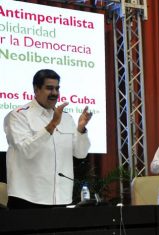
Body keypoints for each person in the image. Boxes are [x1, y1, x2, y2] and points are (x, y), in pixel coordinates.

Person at [4, 69, 93, 209]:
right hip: (27, 197)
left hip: (61, 197)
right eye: (49, 88)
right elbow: (26, 151)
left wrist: (81, 129)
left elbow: (80, 153)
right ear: (36, 89)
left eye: (57, 88)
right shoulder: (18, 116)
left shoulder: (67, 118)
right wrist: (51, 125)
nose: (55, 93)